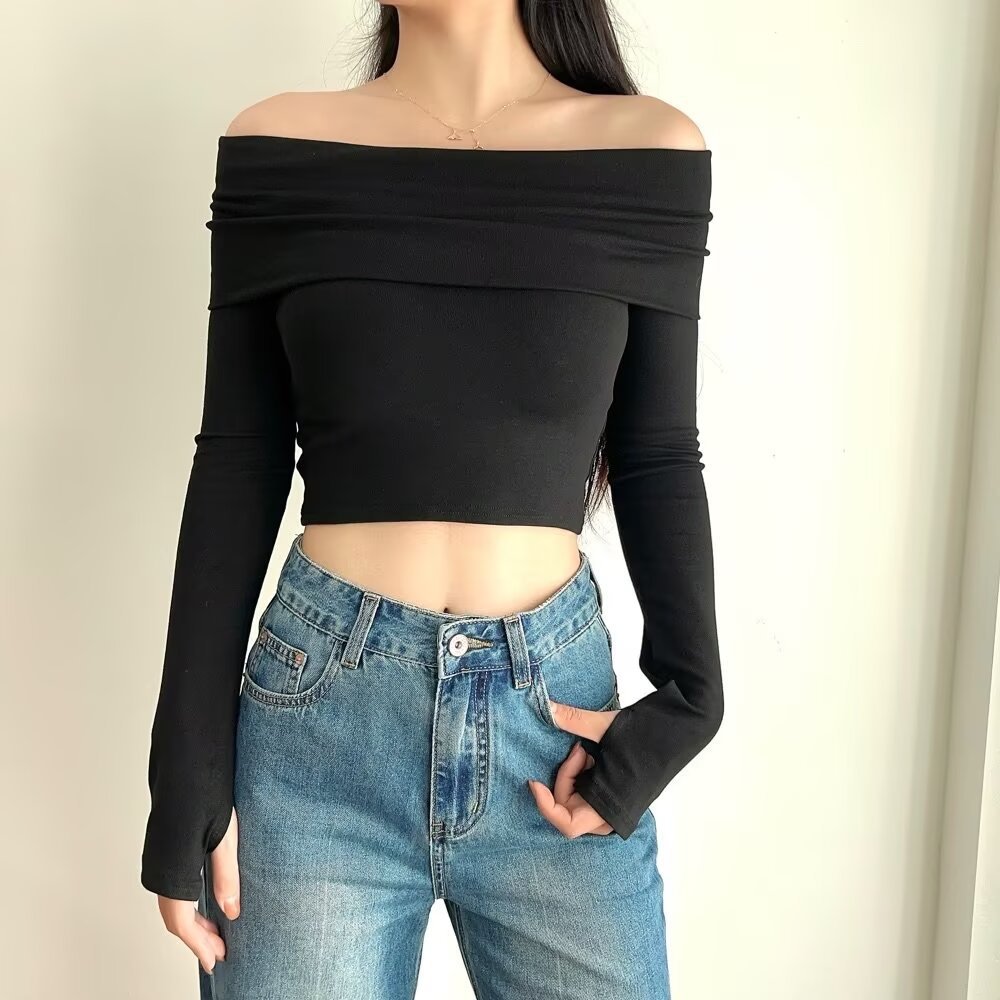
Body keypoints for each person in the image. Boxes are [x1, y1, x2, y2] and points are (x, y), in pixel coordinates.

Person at [140, 1, 724, 996]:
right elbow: (237, 457)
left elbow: (658, 452)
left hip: (556, 736)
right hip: (316, 733)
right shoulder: (280, 146)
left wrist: (692, 699)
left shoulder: (644, 150)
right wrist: (184, 767)